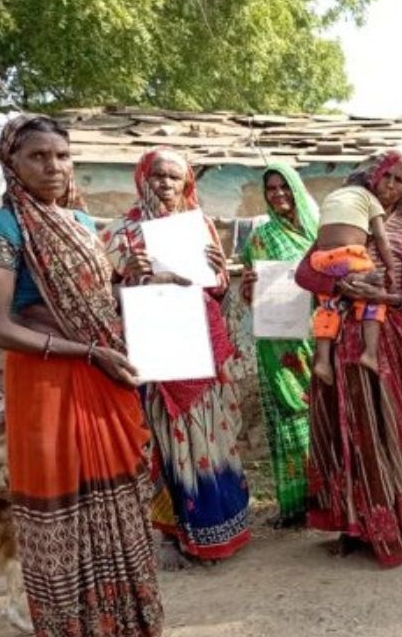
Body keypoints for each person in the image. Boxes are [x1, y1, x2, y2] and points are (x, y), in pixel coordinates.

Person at [0, 114, 163, 635]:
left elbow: (101, 305)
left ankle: (123, 620)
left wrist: (154, 281)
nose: (53, 166)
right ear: (11, 163)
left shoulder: (82, 226)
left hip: (102, 378)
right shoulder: (3, 227)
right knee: (60, 505)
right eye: (38, 156)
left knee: (116, 499)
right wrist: (85, 352)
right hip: (46, 382)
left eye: (62, 155)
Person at [101, 147, 251, 565]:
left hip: (199, 344)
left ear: (187, 183)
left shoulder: (198, 223)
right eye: (157, 176)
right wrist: (130, 276)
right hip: (157, 345)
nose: (165, 184)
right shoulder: (120, 233)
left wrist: (220, 273)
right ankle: (175, 535)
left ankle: (225, 527)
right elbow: (102, 297)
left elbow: (215, 289)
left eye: (174, 177)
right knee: (167, 439)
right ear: (142, 179)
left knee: (214, 436)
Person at [295, 151, 402, 567]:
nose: (389, 186)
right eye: (384, 177)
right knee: (341, 428)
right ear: (371, 179)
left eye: (398, 181)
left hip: (384, 348)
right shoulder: (342, 225)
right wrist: (346, 287)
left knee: (382, 431)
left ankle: (391, 523)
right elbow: (305, 274)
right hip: (336, 345)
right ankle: (349, 524)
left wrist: (386, 297)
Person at [240, 163, 319, 528]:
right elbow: (248, 296)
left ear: (296, 189)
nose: (278, 194)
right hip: (276, 342)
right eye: (271, 189)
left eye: (284, 187)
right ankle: (295, 504)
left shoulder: (319, 232)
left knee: (321, 416)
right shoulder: (259, 238)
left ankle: (325, 498)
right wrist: (251, 287)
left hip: (317, 338)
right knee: (287, 421)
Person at [308, 171, 398, 385]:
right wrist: (391, 268)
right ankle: (370, 353)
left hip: (321, 260)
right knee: (374, 295)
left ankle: (322, 360)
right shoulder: (369, 198)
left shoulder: (332, 197)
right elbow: (381, 237)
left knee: (328, 306)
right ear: (369, 187)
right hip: (349, 257)